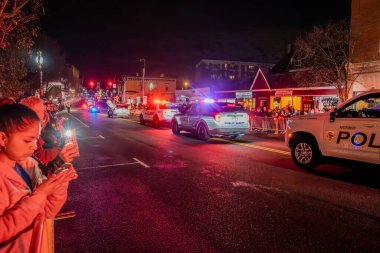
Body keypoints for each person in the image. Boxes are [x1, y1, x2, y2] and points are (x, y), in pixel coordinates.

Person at [0, 103, 78, 252]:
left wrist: (58, 182)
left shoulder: (26, 166)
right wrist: (40, 194)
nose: (35, 146)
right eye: (27, 140)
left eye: (36, 139)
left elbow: (46, 212)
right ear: (3, 138)